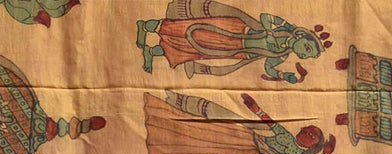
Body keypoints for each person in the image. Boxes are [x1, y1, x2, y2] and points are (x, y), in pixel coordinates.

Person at [144, 90, 335, 154]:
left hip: (250, 152)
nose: (306, 132)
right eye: (308, 129)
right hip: (247, 139)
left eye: (312, 136)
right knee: (207, 131)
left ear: (313, 147)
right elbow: (270, 122)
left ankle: (162, 152)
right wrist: (255, 107)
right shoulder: (286, 136)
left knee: (208, 150)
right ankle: (167, 113)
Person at [136, 0, 331, 82]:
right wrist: (270, 32)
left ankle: (152, 51)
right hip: (235, 31)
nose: (303, 54)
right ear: (301, 36)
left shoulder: (282, 54)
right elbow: (265, 17)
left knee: (192, 49)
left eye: (307, 55)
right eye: (307, 48)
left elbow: (268, 67)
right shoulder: (284, 29)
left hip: (235, 50)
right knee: (189, 30)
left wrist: (282, 75)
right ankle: (145, 26)